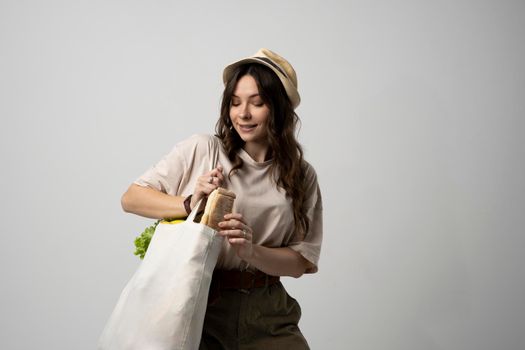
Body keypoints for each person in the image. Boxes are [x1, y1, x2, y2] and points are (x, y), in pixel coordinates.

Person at [121, 48, 323, 349]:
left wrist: (251, 251)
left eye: (258, 103)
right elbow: (131, 198)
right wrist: (190, 202)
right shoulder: (203, 150)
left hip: (268, 312)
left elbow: (299, 263)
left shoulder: (301, 175)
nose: (243, 114)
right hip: (198, 306)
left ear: (279, 109)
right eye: (235, 102)